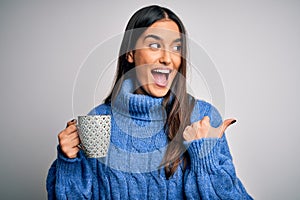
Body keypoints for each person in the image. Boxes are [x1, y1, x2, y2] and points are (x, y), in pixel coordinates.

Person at [46, 5, 253, 199]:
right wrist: (69, 162)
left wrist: (204, 157)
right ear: (130, 53)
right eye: (154, 45)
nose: (167, 58)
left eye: (176, 47)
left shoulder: (202, 117)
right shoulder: (98, 122)